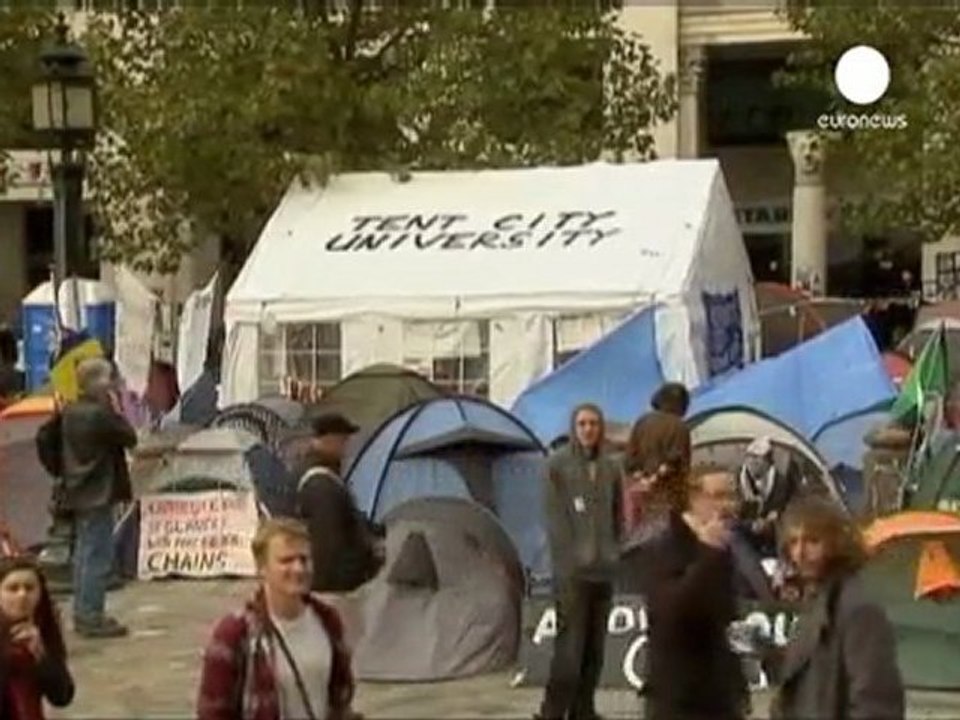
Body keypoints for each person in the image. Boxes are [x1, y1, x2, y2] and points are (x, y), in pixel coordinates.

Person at [197, 518, 356, 720]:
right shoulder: (235, 633)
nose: (298, 569)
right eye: (286, 561)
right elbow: (213, 711)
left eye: (304, 559)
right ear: (262, 567)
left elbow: (341, 697)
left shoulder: (327, 620)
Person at [772, 496, 904, 720]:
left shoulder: (858, 610)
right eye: (793, 542)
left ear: (835, 543)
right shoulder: (816, 602)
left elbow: (875, 704)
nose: (800, 553)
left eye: (812, 541)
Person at [644, 462, 748, 720]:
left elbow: (724, 621)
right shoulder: (667, 544)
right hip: (679, 694)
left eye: (733, 496)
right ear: (694, 498)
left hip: (719, 692)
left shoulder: (724, 545)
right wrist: (707, 553)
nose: (728, 505)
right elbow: (671, 612)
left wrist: (738, 686)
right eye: (719, 496)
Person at [537, 404, 622, 720]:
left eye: (594, 423)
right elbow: (555, 520)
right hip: (572, 574)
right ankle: (552, 711)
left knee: (594, 648)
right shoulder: (557, 465)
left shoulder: (611, 467)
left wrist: (615, 551)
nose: (588, 429)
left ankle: (583, 709)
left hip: (604, 569)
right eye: (583, 423)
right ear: (574, 428)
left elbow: (617, 514)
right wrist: (569, 561)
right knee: (569, 650)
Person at [61, 357, 137, 638]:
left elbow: (47, 441)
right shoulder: (100, 414)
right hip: (99, 490)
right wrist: (115, 407)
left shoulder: (69, 411)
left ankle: (83, 610)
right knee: (97, 554)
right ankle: (91, 614)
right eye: (108, 378)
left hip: (78, 488)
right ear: (96, 382)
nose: (112, 383)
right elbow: (129, 436)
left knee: (84, 553)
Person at [296, 414, 384, 651]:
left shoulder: (325, 477)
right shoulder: (321, 485)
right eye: (343, 440)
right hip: (334, 589)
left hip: (334, 586)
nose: (345, 448)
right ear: (329, 440)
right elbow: (328, 543)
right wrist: (339, 584)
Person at [0, 555, 74, 719]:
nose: (22, 595)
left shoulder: (44, 627)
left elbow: (62, 696)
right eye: (13, 589)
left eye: (29, 588)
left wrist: (41, 655)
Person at [623, 383, 692, 533]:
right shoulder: (679, 427)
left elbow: (629, 461)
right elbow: (675, 463)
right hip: (670, 500)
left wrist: (643, 480)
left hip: (643, 498)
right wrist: (656, 479)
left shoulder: (642, 422)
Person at [737, 436, 800, 557]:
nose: (753, 463)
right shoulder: (736, 480)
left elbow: (787, 508)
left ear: (768, 462)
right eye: (750, 458)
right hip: (744, 538)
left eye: (757, 459)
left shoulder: (781, 482)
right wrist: (751, 525)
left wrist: (772, 521)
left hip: (772, 540)